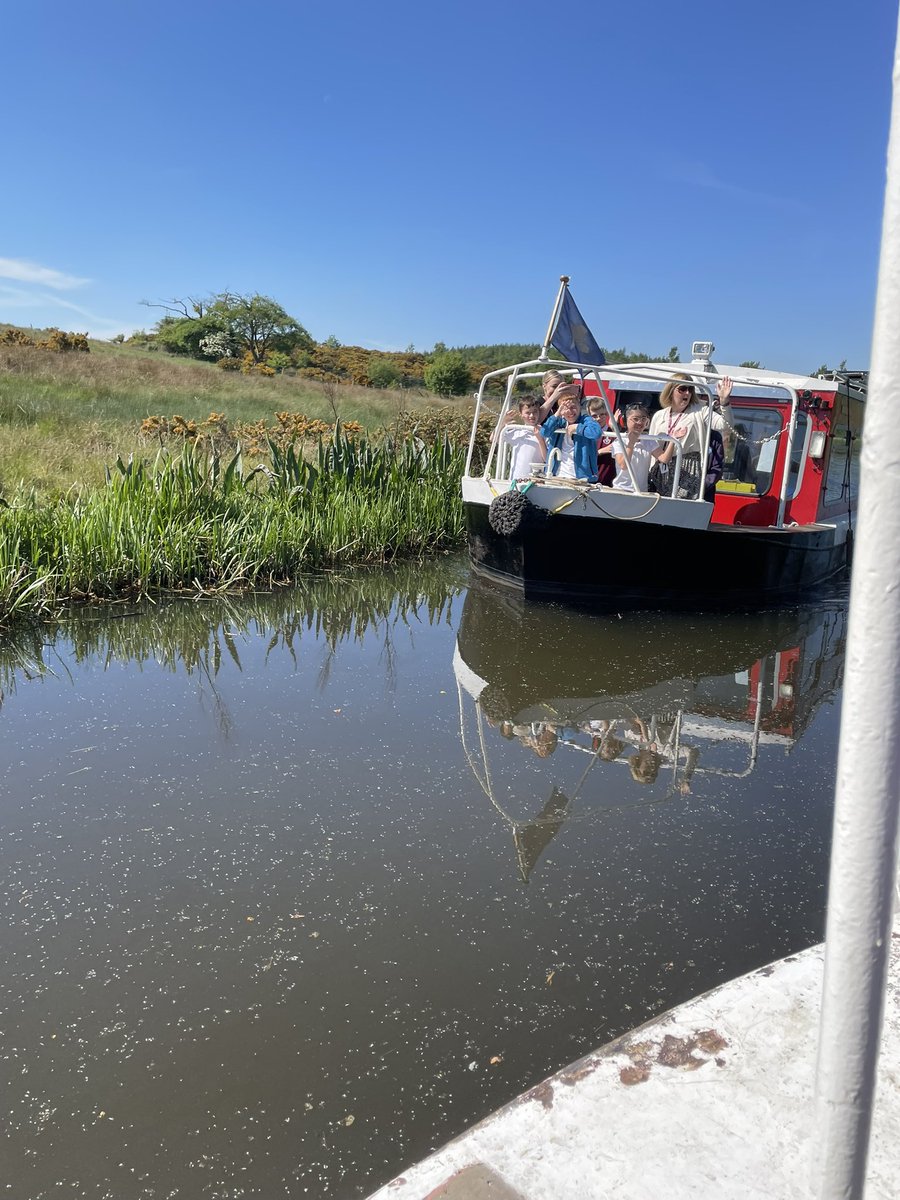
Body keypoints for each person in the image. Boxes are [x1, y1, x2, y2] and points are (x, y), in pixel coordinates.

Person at [649, 374, 734, 499]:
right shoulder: (659, 415)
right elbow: (651, 446)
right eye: (682, 389)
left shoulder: (701, 411)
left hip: (688, 468)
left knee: (681, 507)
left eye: (690, 389)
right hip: (661, 469)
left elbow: (725, 425)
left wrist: (724, 401)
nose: (687, 393)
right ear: (671, 390)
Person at [540, 388, 601, 481]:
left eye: (573, 407)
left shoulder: (585, 420)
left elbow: (596, 433)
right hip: (556, 474)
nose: (570, 411)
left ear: (579, 406)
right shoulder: (559, 422)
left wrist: (577, 427)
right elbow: (544, 432)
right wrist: (557, 414)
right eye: (566, 408)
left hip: (581, 477)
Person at [610, 402, 666, 492]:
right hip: (621, 490)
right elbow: (624, 465)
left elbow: (664, 459)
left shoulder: (649, 441)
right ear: (624, 421)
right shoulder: (619, 441)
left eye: (643, 419)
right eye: (635, 419)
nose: (640, 422)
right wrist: (631, 444)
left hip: (641, 491)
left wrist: (674, 440)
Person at [494, 395, 547, 479]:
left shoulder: (545, 433)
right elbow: (493, 439)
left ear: (539, 412)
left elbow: (546, 458)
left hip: (537, 480)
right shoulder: (517, 432)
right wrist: (503, 422)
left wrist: (540, 439)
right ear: (521, 414)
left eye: (535, 412)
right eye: (528, 413)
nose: (532, 415)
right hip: (516, 479)